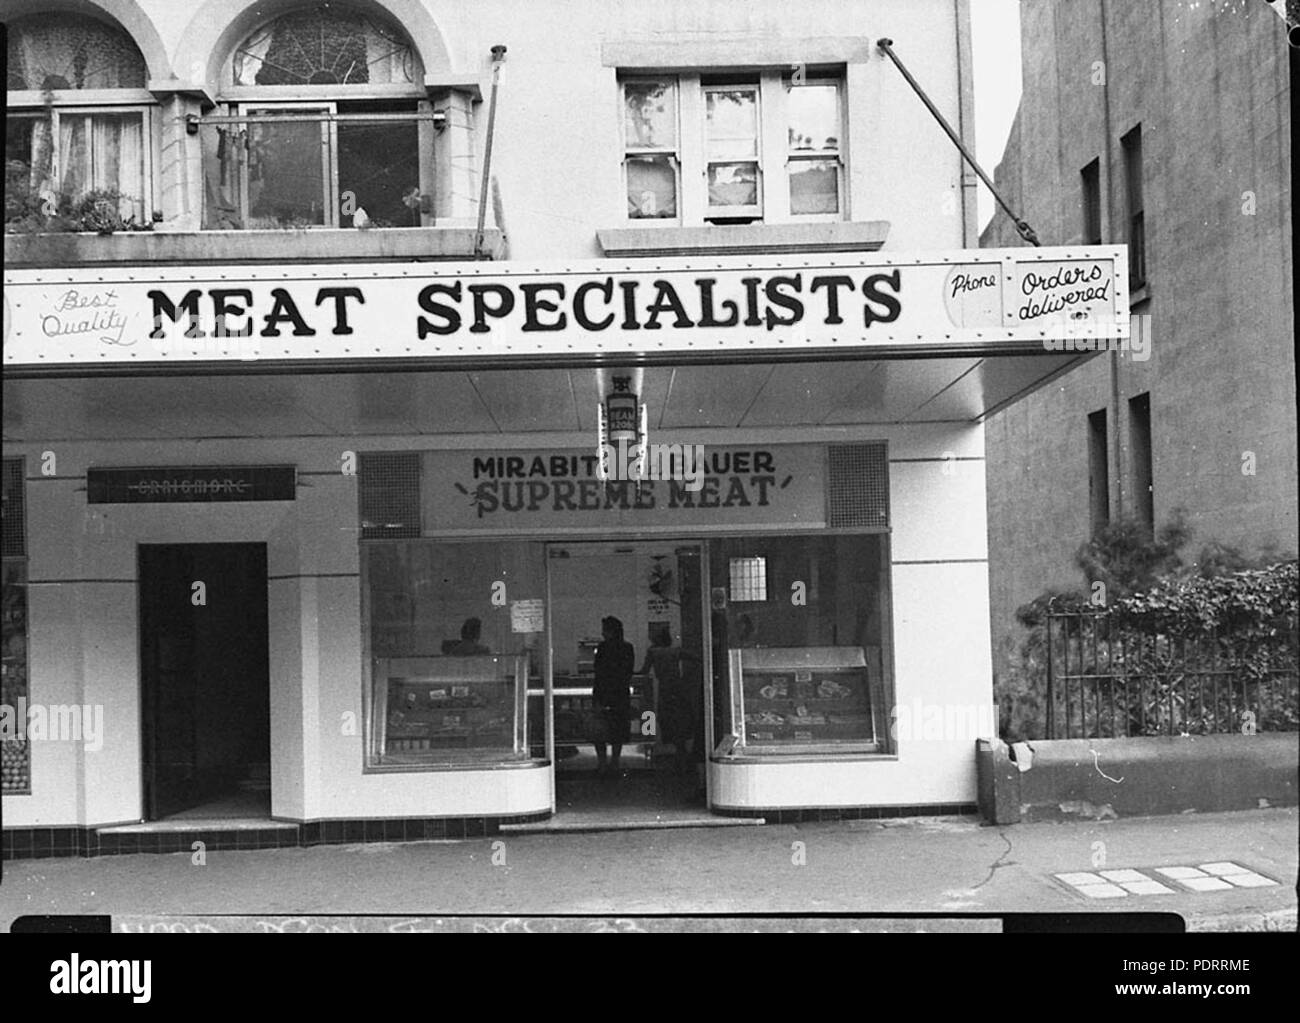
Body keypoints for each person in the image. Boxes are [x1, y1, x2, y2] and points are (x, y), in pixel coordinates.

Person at [638, 631, 699, 773]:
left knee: (668, 721)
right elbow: (696, 658)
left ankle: (679, 758)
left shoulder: (653, 652)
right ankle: (682, 756)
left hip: (665, 689)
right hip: (678, 688)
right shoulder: (675, 651)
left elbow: (644, 670)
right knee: (681, 722)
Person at [591, 615, 634, 778]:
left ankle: (602, 763)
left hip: (603, 693)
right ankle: (615, 762)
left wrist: (597, 698)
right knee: (618, 729)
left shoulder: (602, 648)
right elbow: (628, 671)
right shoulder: (627, 647)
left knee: (600, 729)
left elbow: (598, 671)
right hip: (620, 694)